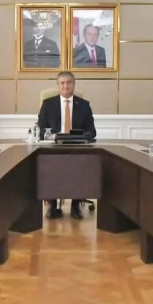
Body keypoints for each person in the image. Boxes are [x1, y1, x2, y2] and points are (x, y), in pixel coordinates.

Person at [37, 71, 96, 220]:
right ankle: (52, 204)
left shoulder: (84, 105)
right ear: (58, 85)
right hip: (54, 146)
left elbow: (92, 131)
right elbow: (40, 128)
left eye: (69, 82)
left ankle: (75, 205)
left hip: (77, 146)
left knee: (81, 165)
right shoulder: (48, 104)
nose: (66, 86)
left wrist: (81, 137)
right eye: (62, 83)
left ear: (74, 85)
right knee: (49, 164)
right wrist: (52, 135)